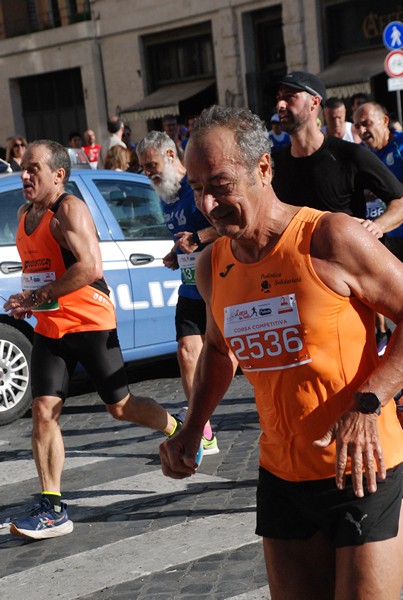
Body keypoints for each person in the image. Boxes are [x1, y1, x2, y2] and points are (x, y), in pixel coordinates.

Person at [159, 105, 403, 600]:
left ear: (264, 170)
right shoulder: (212, 265)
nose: (207, 203)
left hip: (363, 468)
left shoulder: (329, 238)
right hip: (281, 476)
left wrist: (371, 400)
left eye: (221, 185)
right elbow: (218, 350)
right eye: (196, 187)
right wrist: (191, 428)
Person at [3, 140, 196, 540]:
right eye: (22, 168)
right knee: (43, 411)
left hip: (90, 322)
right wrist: (28, 300)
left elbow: (90, 267)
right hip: (50, 327)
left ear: (58, 175)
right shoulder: (24, 215)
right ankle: (53, 505)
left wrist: (38, 296)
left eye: (32, 169)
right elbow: (40, 270)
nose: (24, 175)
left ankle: (179, 428)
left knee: (121, 407)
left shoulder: (70, 209)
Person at [137, 131, 220, 455]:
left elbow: (230, 223)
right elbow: (185, 239)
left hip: (221, 281)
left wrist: (198, 239)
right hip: (190, 284)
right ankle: (203, 430)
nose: (148, 173)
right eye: (144, 167)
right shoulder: (164, 191)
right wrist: (177, 253)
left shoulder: (198, 184)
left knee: (231, 355)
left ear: (171, 156)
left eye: (152, 165)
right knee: (187, 353)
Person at [272, 71, 403, 232]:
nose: (280, 105)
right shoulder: (273, 165)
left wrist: (376, 227)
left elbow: (399, 201)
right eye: (278, 98)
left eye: (289, 97)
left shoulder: (350, 154)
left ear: (314, 102)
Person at [354, 101, 403, 362]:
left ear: (384, 121)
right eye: (358, 125)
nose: (362, 130)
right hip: (381, 238)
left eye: (367, 124)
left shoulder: (401, 146)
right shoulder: (361, 155)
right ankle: (382, 338)